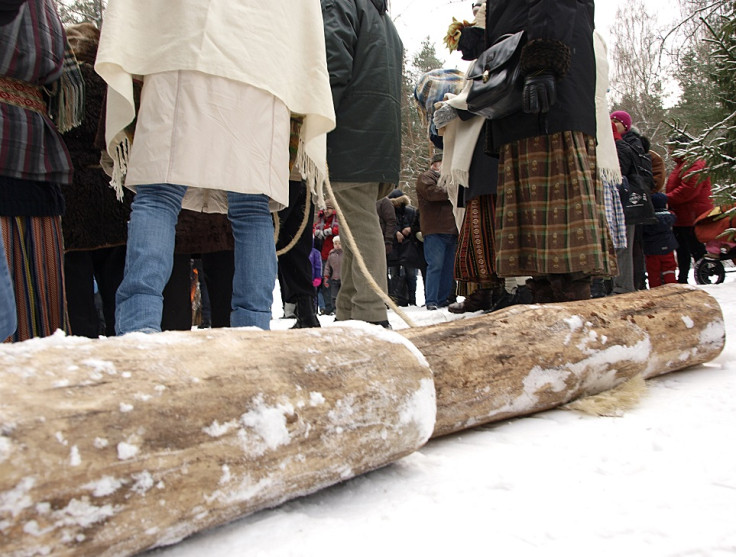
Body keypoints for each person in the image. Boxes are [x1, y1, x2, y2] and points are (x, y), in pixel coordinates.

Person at [96, 0, 335, 333]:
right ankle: (252, 331)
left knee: (158, 195)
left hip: (180, 43)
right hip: (261, 57)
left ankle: (139, 328)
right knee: (251, 208)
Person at [485, 0, 615, 302]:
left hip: (549, 99)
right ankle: (549, 313)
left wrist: (544, 62)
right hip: (524, 100)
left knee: (563, 231)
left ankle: (574, 315)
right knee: (536, 245)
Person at [1, 0, 83, 342]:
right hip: (35, 146)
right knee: (37, 317)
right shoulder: (47, 11)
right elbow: (68, 87)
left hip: (34, 155)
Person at [321, 0, 403, 327]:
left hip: (352, 135)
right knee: (356, 224)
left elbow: (332, 63)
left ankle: (370, 313)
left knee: (360, 224)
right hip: (377, 138)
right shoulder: (385, 21)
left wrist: (315, 121)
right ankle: (348, 312)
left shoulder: (341, 4)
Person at [61, 22, 133, 338]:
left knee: (76, 291)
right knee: (117, 285)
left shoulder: (60, 85)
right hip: (112, 192)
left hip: (70, 196)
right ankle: (122, 350)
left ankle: (83, 346)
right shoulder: (113, 83)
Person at [611, 110, 652, 294]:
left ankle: (625, 286)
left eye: (616, 121)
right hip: (631, 201)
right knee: (629, 245)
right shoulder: (629, 144)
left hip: (628, 202)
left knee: (626, 245)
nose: (612, 123)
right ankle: (631, 284)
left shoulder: (625, 145)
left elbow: (618, 173)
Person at [665, 133, 714, 284]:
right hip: (682, 214)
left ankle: (704, 276)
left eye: (672, 148)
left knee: (695, 247)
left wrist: (667, 198)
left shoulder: (695, 164)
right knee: (682, 249)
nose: (670, 151)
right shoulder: (681, 165)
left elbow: (689, 189)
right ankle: (683, 278)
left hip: (693, 215)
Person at [416, 153, 458, 310]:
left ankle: (442, 299)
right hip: (435, 229)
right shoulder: (425, 177)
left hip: (450, 229)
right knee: (435, 265)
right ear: (435, 164)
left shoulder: (449, 178)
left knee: (447, 267)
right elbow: (432, 194)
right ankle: (432, 300)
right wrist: (453, 190)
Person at [387, 189, 422, 306]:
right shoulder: (389, 213)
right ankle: (396, 299)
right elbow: (387, 225)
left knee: (411, 274)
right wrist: (396, 232)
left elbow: (416, 224)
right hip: (394, 247)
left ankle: (412, 298)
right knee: (395, 273)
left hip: (409, 246)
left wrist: (410, 230)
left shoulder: (411, 211)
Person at [643, 192, 678, 287]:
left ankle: (655, 289)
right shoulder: (670, 217)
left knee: (654, 271)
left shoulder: (648, 220)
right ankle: (671, 286)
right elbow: (674, 216)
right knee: (669, 268)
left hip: (652, 250)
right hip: (668, 248)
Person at [312, 200, 339, 315]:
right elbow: (314, 228)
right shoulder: (320, 221)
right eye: (325, 208)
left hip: (336, 256)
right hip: (323, 255)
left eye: (328, 208)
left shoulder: (336, 220)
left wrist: (330, 231)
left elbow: (339, 229)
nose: (326, 211)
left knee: (336, 281)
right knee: (325, 282)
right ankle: (327, 306)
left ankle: (335, 306)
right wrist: (318, 232)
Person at [323, 235, 343, 314]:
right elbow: (327, 266)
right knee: (334, 295)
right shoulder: (331, 254)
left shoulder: (345, 254)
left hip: (343, 278)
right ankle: (335, 309)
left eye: (339, 243)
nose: (337, 245)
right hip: (334, 278)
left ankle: (343, 308)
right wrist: (326, 276)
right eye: (335, 243)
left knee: (343, 294)